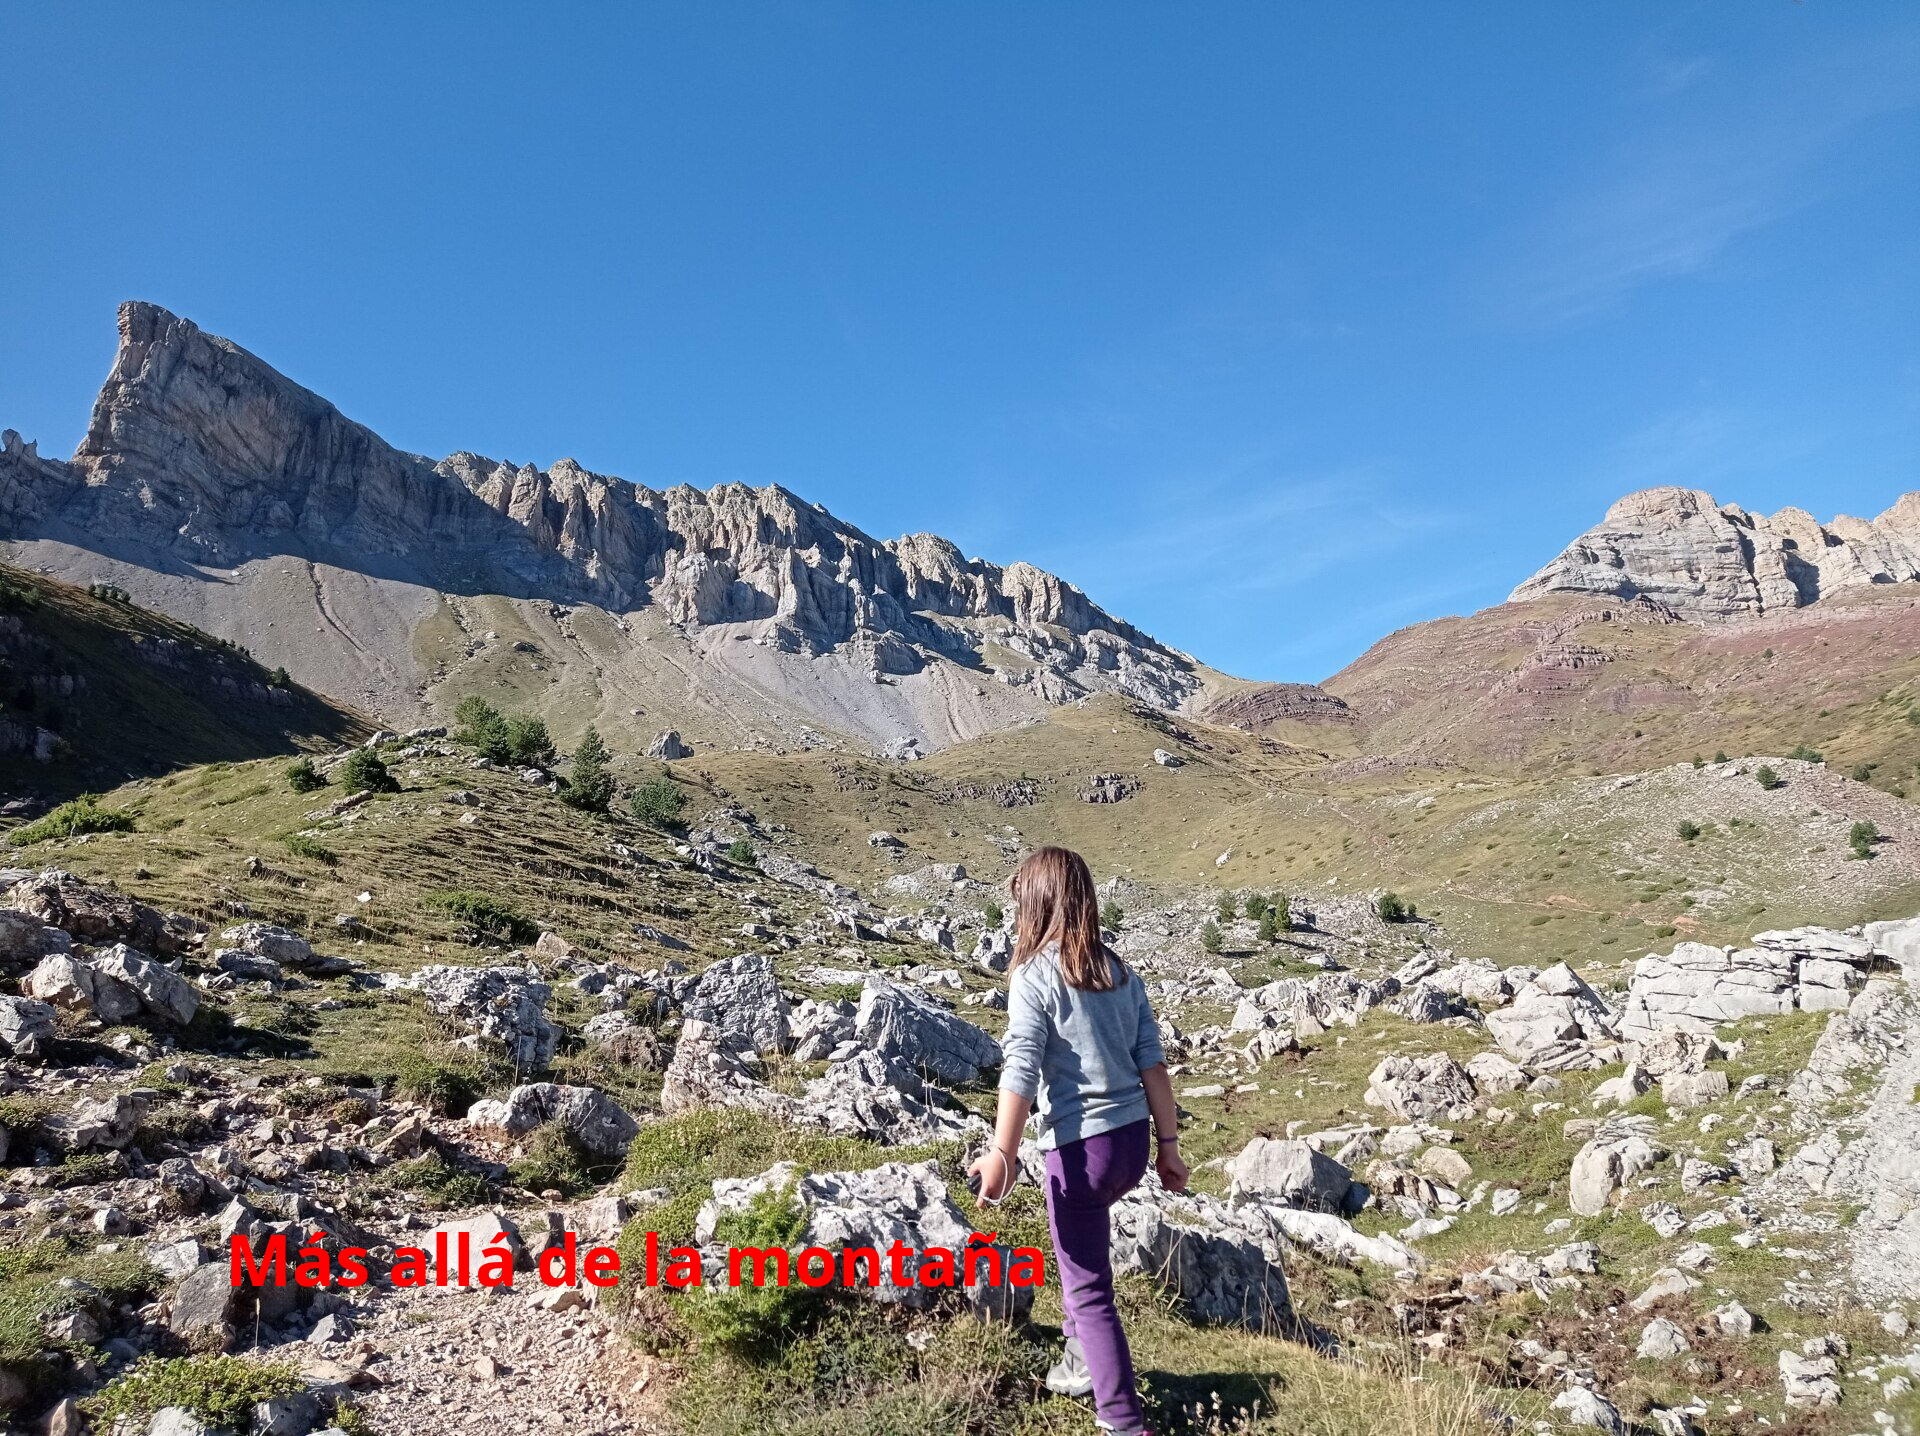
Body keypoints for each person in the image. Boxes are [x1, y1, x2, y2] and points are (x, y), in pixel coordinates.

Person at [967, 845, 1187, 1436]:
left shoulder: (1035, 977)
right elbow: (1154, 1068)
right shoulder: (1121, 973)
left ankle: (1122, 1420)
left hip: (1079, 1152)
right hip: (1131, 1147)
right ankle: (1076, 1356)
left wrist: (1002, 1155)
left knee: (1089, 1288)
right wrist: (1168, 1148)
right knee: (1080, 1255)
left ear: (1036, 905)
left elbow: (1019, 1069)